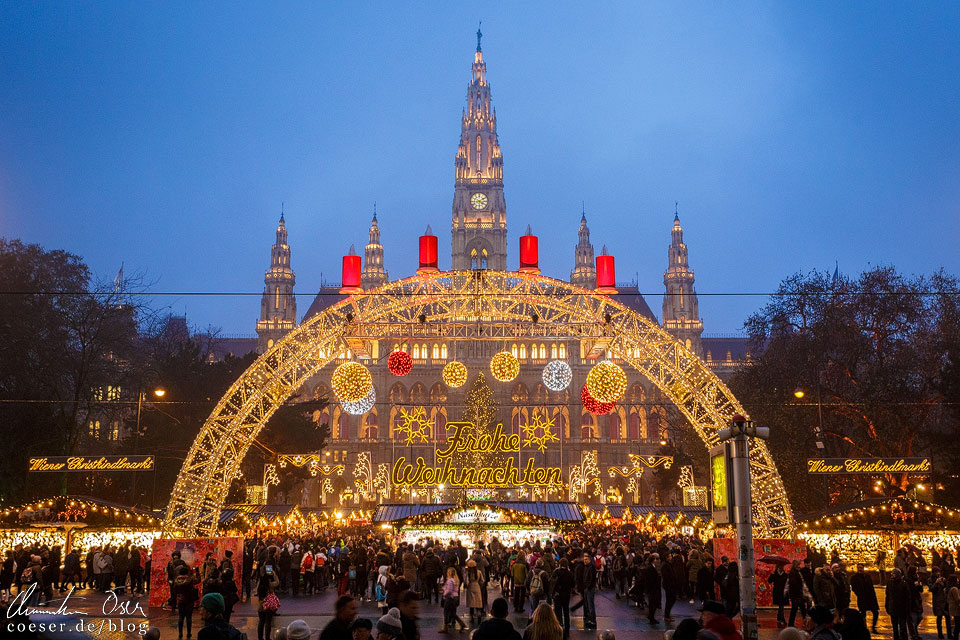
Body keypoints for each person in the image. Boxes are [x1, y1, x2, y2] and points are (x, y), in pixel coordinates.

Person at [850, 564, 879, 633]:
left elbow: (871, 587)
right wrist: (859, 594)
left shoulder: (867, 576)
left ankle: (873, 627)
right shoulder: (854, 577)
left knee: (875, 612)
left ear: (863, 568)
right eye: (859, 568)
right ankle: (864, 629)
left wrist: (873, 597)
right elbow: (854, 588)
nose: (860, 569)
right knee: (863, 614)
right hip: (862, 598)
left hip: (870, 598)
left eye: (861, 568)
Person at [257, 559, 281, 640]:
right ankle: (267, 638)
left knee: (261, 621)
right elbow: (277, 582)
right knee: (268, 621)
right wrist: (270, 585)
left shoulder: (260, 571)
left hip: (261, 599)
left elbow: (258, 585)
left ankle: (260, 637)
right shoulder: (270, 571)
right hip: (268, 599)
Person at [174, 565, 200, 639]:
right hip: (189, 600)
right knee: (189, 617)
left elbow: (174, 590)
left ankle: (180, 633)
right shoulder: (190, 579)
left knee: (181, 617)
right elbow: (198, 580)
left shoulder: (176, 580)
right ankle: (189, 633)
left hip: (180, 600)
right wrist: (197, 572)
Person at [552, 557, 574, 639]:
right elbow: (573, 584)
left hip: (558, 595)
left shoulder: (557, 572)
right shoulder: (570, 573)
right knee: (566, 612)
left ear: (560, 564)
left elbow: (553, 583)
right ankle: (567, 630)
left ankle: (559, 628)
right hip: (566, 595)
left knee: (558, 613)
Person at [440, 566, 467, 633]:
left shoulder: (449, 580)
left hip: (449, 598)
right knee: (453, 613)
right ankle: (462, 624)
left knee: (446, 612)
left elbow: (449, 590)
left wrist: (444, 594)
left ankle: (445, 627)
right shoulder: (456, 580)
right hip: (455, 597)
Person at [886, 569, 911, 640]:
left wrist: (907, 608)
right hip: (894, 608)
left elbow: (907, 597)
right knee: (895, 627)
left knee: (902, 627)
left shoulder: (903, 584)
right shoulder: (890, 583)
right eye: (892, 574)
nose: (892, 575)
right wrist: (887, 606)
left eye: (894, 574)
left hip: (901, 609)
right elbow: (888, 596)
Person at [575, 552, 597, 630]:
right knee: (588, 604)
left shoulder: (590, 567)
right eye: (584, 559)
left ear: (589, 559)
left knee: (590, 604)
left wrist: (588, 586)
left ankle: (593, 620)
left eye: (586, 559)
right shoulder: (587, 567)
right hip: (587, 588)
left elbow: (591, 579)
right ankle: (591, 619)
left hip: (589, 588)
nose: (585, 561)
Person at [788, 560, 809, 628]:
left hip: (796, 594)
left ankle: (792, 623)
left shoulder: (794, 572)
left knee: (797, 609)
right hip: (796, 594)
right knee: (800, 609)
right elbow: (794, 583)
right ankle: (805, 622)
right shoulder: (794, 573)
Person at [644, 554, 663, 625]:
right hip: (652, 588)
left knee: (652, 603)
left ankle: (651, 616)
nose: (656, 560)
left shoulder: (651, 567)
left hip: (652, 588)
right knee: (653, 603)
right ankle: (651, 618)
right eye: (655, 559)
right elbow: (650, 579)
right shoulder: (650, 568)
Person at [769, 563, 789, 627]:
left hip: (783, 592)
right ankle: (781, 619)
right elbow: (769, 581)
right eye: (780, 567)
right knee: (781, 606)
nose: (781, 569)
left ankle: (780, 618)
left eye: (782, 567)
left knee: (781, 606)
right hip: (777, 592)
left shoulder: (785, 575)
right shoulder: (774, 574)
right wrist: (772, 575)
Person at [946, 575, 960, 640]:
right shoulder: (954, 589)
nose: (958, 580)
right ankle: (955, 636)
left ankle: (955, 636)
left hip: (952, 608)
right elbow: (958, 599)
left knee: (957, 623)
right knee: (958, 624)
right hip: (956, 608)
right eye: (957, 579)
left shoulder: (949, 588)